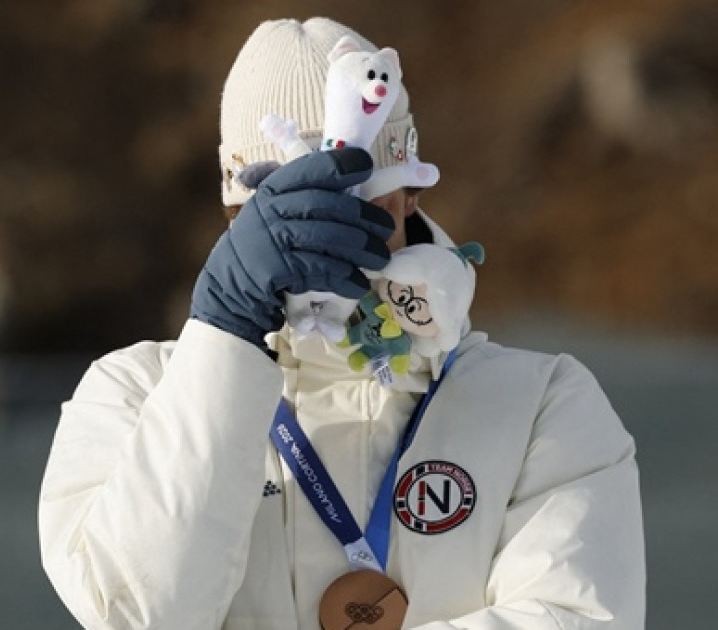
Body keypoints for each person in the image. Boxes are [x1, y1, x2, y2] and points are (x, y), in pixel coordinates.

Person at [38, 17, 645, 630]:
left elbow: (579, 618)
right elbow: (139, 613)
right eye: (291, 210)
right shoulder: (132, 395)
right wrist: (225, 339)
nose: (326, 237)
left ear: (410, 194)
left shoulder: (542, 404)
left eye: (356, 200)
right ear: (235, 214)